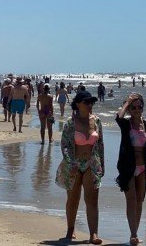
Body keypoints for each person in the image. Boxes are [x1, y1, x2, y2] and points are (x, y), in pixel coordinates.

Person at [55, 90, 104, 244]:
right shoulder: (71, 122)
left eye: (91, 102)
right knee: (73, 198)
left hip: (91, 163)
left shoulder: (96, 121)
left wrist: (102, 164)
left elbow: (100, 144)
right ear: (78, 104)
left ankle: (93, 234)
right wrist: (71, 163)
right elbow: (65, 145)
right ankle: (70, 229)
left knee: (92, 200)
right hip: (74, 164)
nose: (90, 105)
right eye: (86, 102)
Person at [116, 94, 146, 245]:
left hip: (143, 167)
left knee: (140, 200)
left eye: (139, 106)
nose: (137, 109)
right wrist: (127, 102)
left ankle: (135, 232)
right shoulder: (126, 124)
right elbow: (119, 118)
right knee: (131, 200)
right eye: (133, 107)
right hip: (128, 166)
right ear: (129, 109)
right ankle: (133, 234)